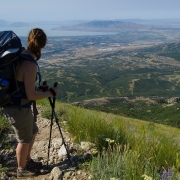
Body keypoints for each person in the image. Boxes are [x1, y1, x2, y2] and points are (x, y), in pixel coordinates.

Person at [2, 28, 58, 178]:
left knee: (32, 132)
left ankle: (27, 160)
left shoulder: (20, 56)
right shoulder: (30, 65)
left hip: (16, 105)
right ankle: (21, 170)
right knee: (24, 139)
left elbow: (20, 86)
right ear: (43, 46)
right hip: (18, 108)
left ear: (28, 41)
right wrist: (50, 93)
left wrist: (40, 89)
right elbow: (31, 95)